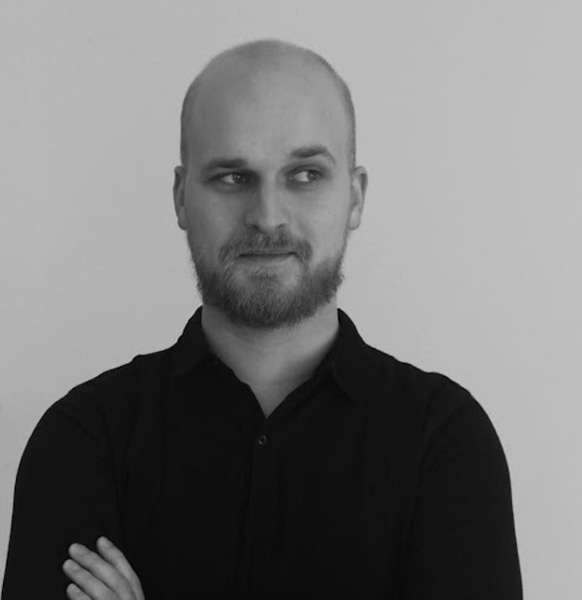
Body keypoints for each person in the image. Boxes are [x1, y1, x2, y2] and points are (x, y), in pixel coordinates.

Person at [1, 39, 523, 599]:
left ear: (354, 197)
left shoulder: (443, 442)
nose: (268, 216)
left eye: (305, 174)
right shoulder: (85, 439)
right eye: (232, 176)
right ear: (181, 198)